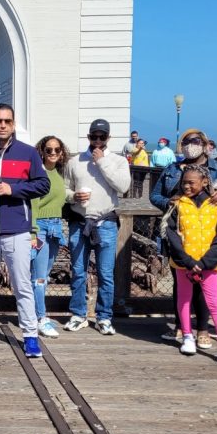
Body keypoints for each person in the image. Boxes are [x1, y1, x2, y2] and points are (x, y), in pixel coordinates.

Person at [0, 103, 49, 357]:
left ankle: (30, 335)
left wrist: (14, 190)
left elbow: (43, 185)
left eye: (7, 121)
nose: (2, 125)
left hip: (17, 231)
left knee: (22, 285)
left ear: (13, 125)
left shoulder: (28, 153)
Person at [150, 128, 217, 346]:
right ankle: (182, 327)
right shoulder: (172, 169)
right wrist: (169, 203)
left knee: (205, 286)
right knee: (181, 284)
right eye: (186, 141)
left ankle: (202, 328)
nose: (191, 145)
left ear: (206, 144)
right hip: (181, 234)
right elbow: (155, 195)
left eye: (196, 141)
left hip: (208, 236)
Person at [161, 164, 217, 369]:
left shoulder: (216, 205)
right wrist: (188, 261)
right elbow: (171, 235)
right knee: (184, 299)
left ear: (205, 182)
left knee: (215, 303)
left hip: (209, 264)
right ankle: (187, 336)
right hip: (184, 263)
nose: (187, 186)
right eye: (184, 183)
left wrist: (205, 262)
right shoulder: (177, 205)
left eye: (191, 182)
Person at [63, 118, 131, 334]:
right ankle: (78, 314)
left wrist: (102, 162)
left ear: (108, 138)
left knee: (105, 273)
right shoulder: (75, 162)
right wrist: (73, 196)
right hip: (79, 221)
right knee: (78, 271)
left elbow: (123, 186)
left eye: (102, 137)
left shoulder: (119, 161)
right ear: (89, 137)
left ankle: (104, 317)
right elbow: (64, 189)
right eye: (94, 136)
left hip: (105, 222)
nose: (98, 140)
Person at [29, 135, 69, 339]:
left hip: (55, 227)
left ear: (61, 153)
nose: (53, 153)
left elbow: (60, 198)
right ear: (42, 152)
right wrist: (33, 231)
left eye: (57, 150)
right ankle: (40, 318)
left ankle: (35, 314)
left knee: (43, 274)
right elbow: (33, 204)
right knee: (39, 278)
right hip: (41, 228)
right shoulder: (39, 173)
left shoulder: (58, 174)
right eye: (48, 150)